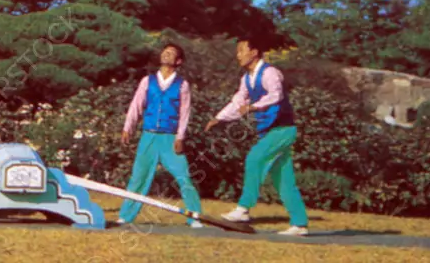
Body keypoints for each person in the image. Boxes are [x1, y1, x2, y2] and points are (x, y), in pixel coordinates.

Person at [205, 36, 309, 236]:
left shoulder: (270, 73)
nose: (238, 55)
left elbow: (275, 95)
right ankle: (300, 224)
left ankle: (244, 208)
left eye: (241, 50)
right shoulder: (246, 79)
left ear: (254, 52)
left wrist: (253, 106)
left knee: (254, 158)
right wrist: (219, 118)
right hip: (269, 131)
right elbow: (238, 102)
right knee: (283, 179)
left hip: (283, 129)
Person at [117, 43, 203, 228]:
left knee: (183, 176)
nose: (166, 54)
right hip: (149, 136)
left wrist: (180, 137)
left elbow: (184, 112)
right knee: (138, 178)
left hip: (170, 138)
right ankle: (126, 215)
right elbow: (136, 105)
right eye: (165, 51)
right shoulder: (148, 81)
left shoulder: (183, 85)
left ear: (178, 61)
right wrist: (128, 128)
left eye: (171, 53)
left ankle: (195, 216)